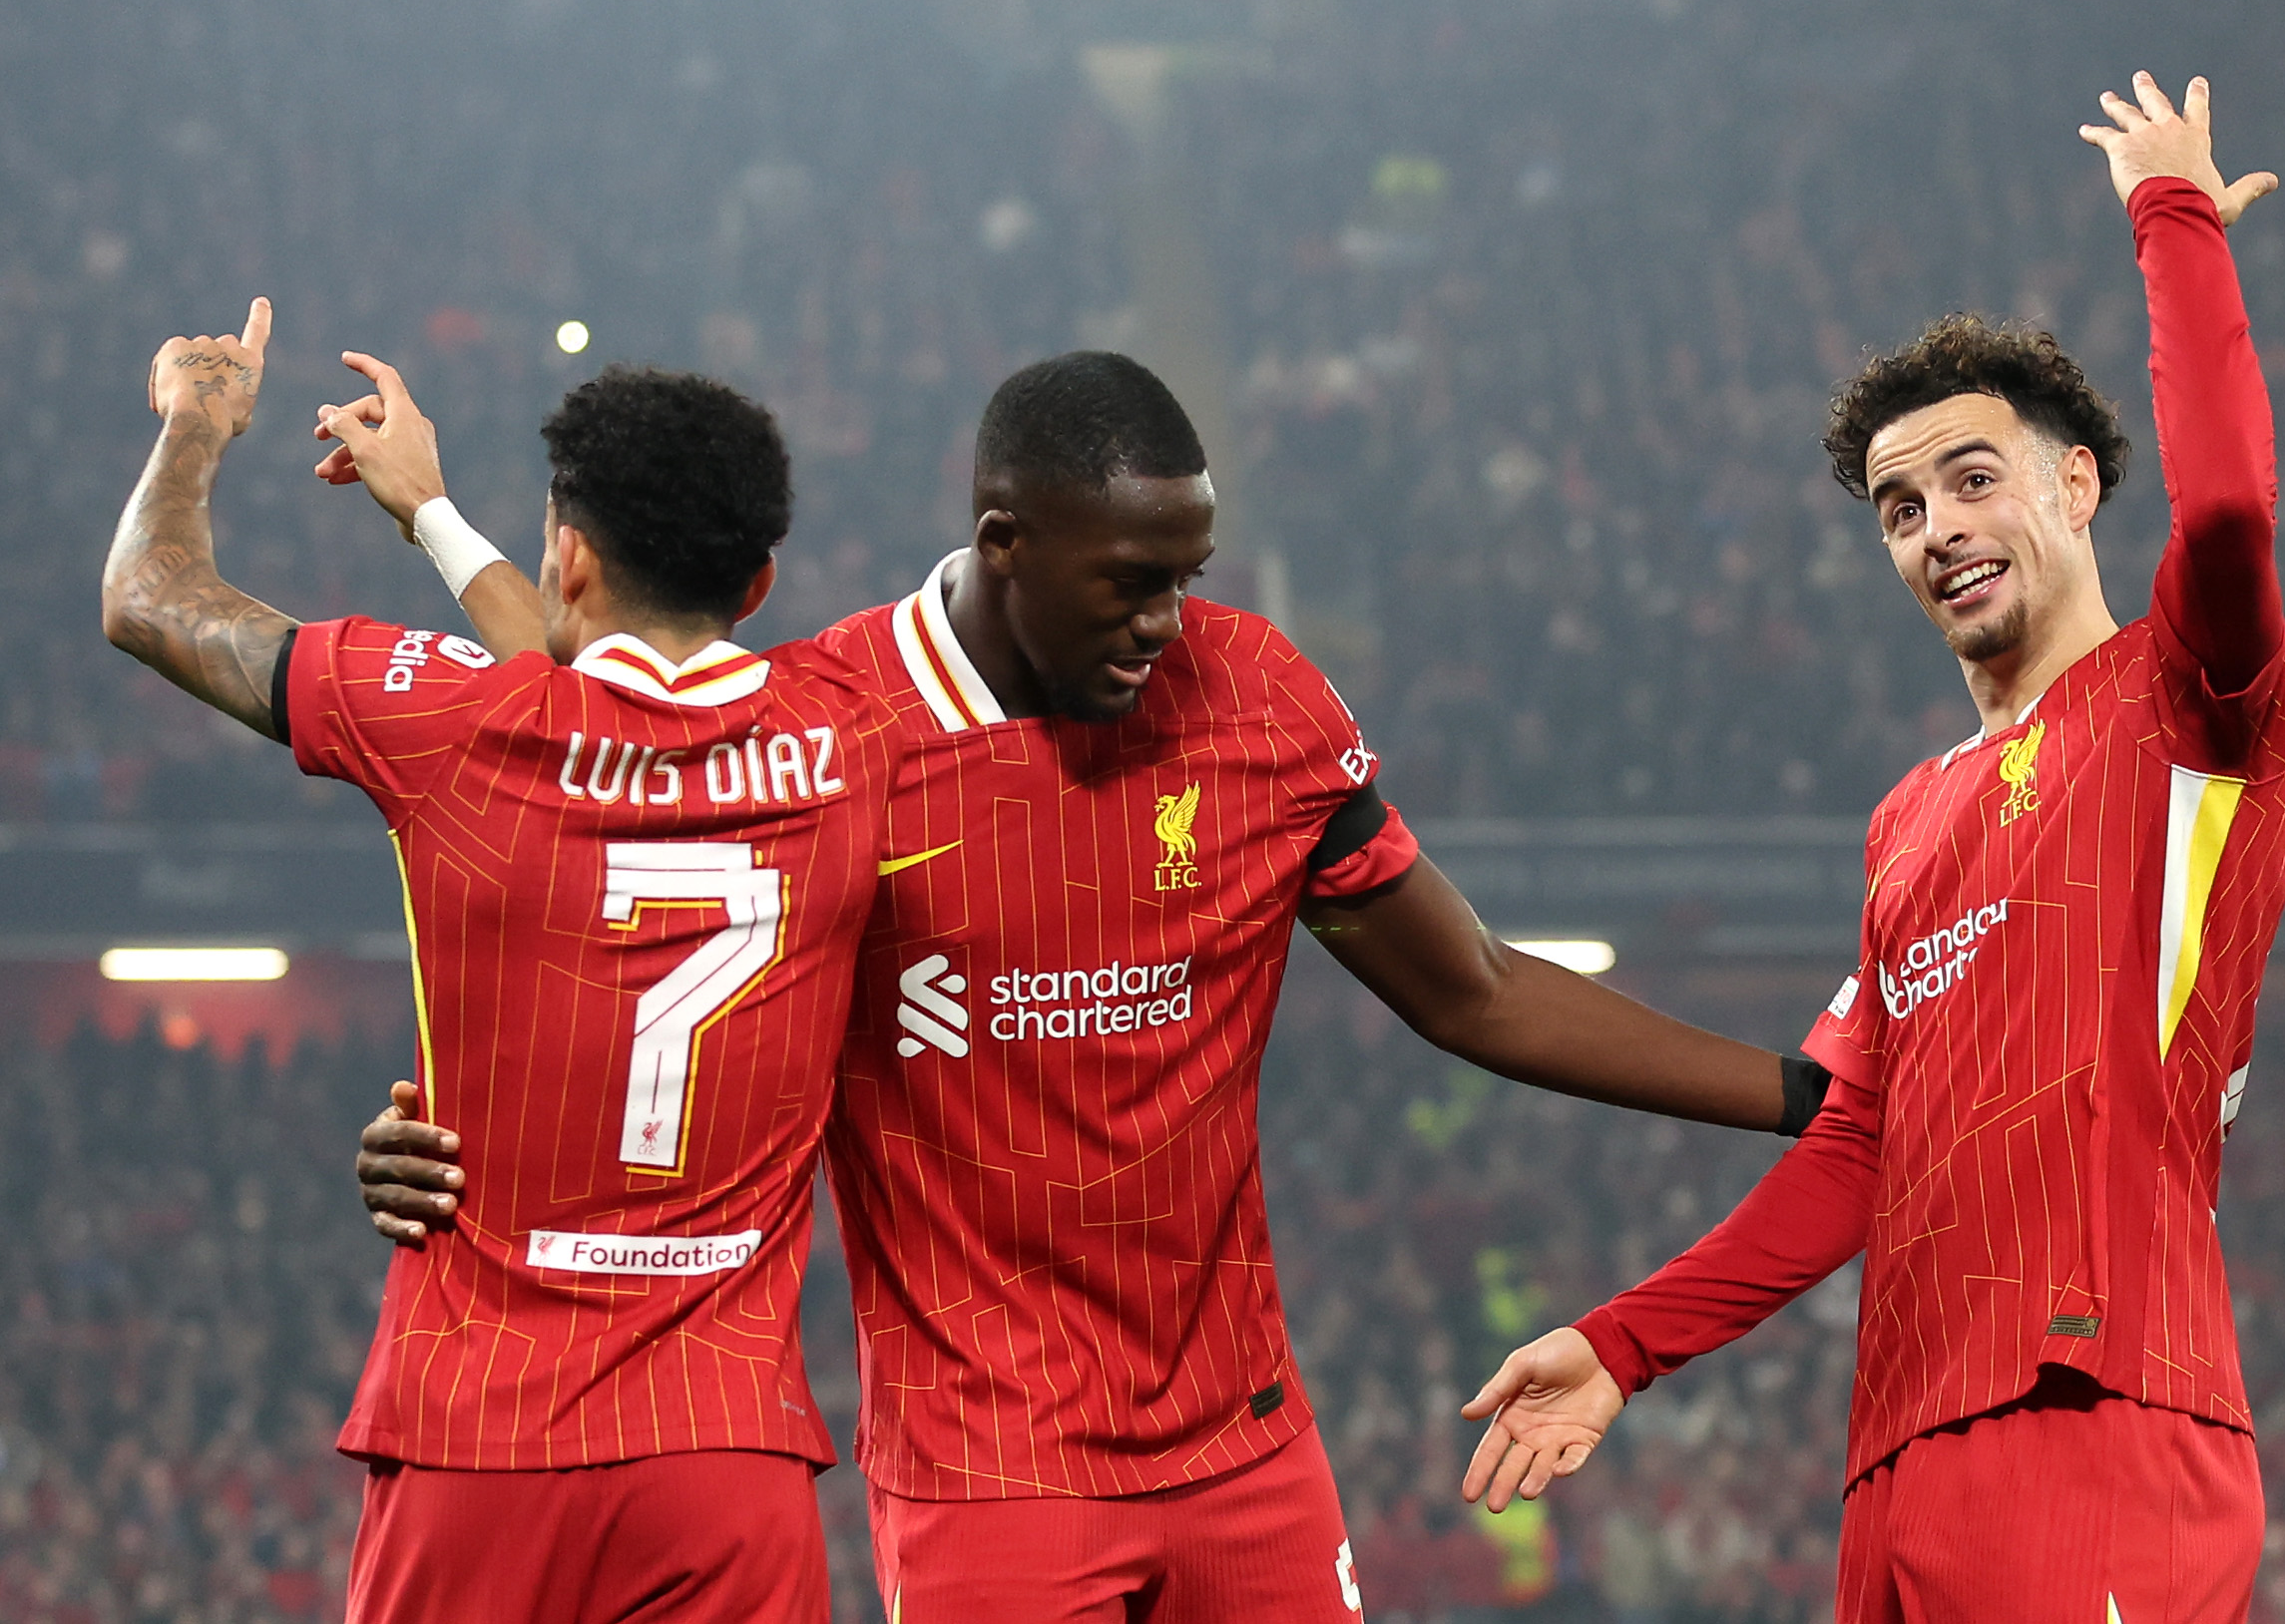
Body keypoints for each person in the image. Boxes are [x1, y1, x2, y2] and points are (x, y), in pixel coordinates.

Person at [349, 348, 1832, 1620]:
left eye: (1185, 578)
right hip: (987, 1474)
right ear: (1006, 540)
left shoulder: (1255, 695)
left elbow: (1477, 987)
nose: (1166, 620)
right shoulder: (835, 726)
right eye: (1128, 582)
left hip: (1244, 1443)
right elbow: (576, 725)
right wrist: (465, 1133)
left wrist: (1809, 1101)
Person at [1456, 73, 2285, 1624]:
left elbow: (2233, 509)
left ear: (2074, 483)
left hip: (2096, 1407)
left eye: (1971, 479)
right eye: (1895, 505)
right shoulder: (1903, 819)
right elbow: (1855, 1147)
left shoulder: (2185, 701)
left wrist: (2170, 215)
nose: (1933, 526)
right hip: (1897, 1456)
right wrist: (1628, 1339)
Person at [105, 303, 896, 1621]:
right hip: (726, 1458)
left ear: (569, 553)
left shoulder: (462, 724)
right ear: (756, 584)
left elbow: (150, 597)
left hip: (476, 1436)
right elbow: (607, 691)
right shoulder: (856, 737)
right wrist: (433, 515)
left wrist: (196, 419)